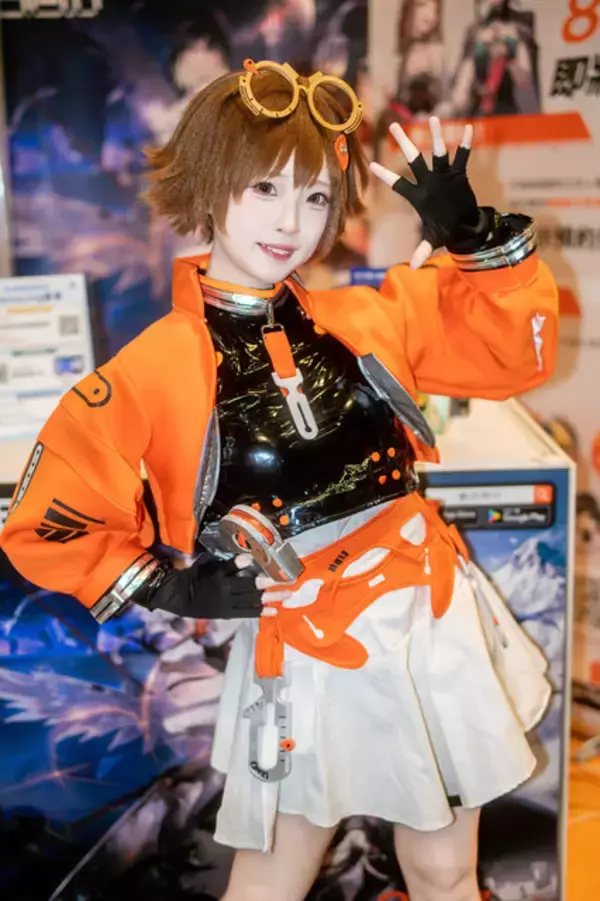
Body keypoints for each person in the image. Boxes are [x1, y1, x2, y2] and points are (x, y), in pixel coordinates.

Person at [0, 58, 558, 901]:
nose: (291, 222)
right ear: (209, 181)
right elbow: (48, 517)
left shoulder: (367, 316)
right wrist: (168, 585)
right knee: (273, 877)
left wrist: (474, 238)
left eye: (316, 196)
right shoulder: (156, 366)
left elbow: (512, 356)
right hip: (303, 645)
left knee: (445, 870)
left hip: (428, 616)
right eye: (265, 188)